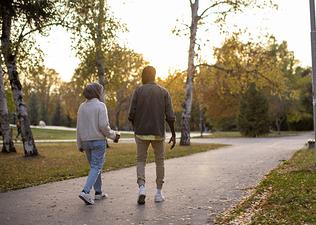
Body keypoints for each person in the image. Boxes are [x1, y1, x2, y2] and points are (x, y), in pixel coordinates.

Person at [128, 66, 176, 204]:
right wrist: (173, 134)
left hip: (141, 133)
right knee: (159, 161)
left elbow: (131, 114)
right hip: (158, 133)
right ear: (154, 75)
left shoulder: (138, 91)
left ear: (145, 75)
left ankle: (142, 188)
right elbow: (170, 116)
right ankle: (159, 193)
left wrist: (135, 126)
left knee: (141, 160)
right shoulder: (163, 92)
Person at [76, 82, 120, 205]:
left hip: (86, 142)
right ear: (97, 93)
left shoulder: (82, 107)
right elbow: (103, 126)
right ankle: (85, 191)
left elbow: (78, 127)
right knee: (96, 167)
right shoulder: (100, 106)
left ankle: (99, 192)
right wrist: (113, 136)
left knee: (95, 167)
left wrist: (79, 144)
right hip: (98, 142)